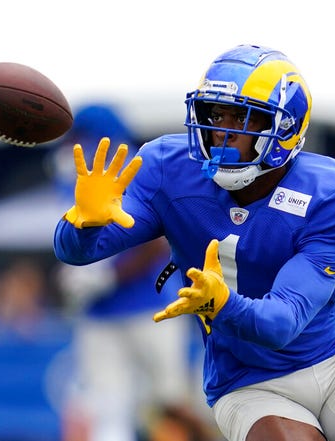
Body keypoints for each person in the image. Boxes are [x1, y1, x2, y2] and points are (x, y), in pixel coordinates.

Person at [53, 44, 335, 441]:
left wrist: (222, 304)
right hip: (248, 381)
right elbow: (79, 251)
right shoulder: (169, 170)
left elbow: (283, 322)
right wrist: (81, 223)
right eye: (215, 114)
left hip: (333, 361)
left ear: (283, 128)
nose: (222, 129)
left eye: (240, 116)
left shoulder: (332, 194)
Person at [50, 104, 195, 441]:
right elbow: (71, 233)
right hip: (99, 313)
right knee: (107, 409)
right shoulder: (67, 168)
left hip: (151, 305)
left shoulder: (133, 165)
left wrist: (109, 277)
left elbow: (158, 239)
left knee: (169, 403)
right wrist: (71, 275)